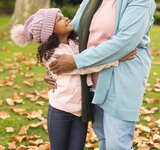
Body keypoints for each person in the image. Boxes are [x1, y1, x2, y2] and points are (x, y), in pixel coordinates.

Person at [48, 0, 156, 150]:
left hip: (121, 79)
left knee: (117, 143)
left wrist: (76, 62)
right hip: (91, 78)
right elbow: (73, 31)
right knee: (104, 140)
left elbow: (126, 41)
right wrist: (54, 67)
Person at [10, 8, 135, 150]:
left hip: (80, 112)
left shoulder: (75, 44)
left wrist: (111, 51)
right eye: (59, 19)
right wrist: (115, 58)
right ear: (50, 32)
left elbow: (92, 56)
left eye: (62, 16)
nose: (66, 18)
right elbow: (84, 66)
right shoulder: (52, 54)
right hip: (60, 111)